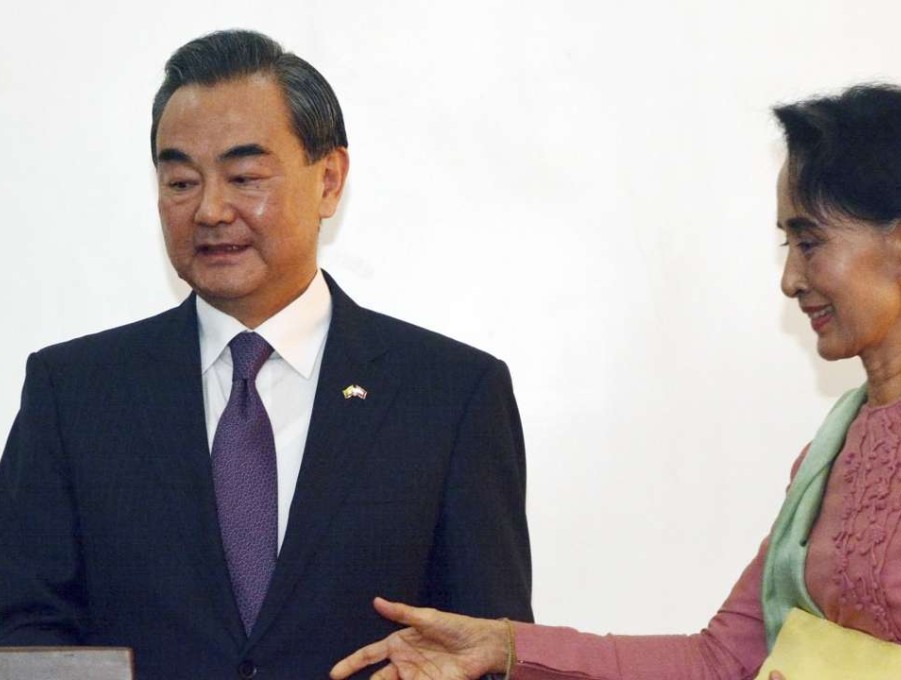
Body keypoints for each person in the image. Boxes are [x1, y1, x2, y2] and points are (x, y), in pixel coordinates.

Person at [329, 84, 901, 680]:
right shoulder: (834, 447)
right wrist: (503, 646)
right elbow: (722, 661)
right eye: (787, 245)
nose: (790, 279)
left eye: (810, 243)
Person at [0, 29, 533, 679]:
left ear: (329, 180)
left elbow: (488, 647)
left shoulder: (450, 395)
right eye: (180, 181)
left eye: (244, 176)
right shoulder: (76, 391)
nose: (210, 210)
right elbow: (24, 627)